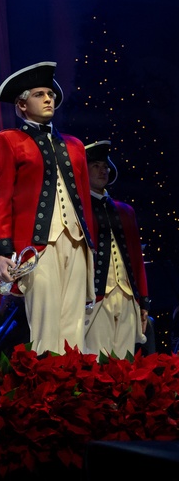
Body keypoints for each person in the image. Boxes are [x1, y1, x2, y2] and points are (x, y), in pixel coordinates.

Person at [0, 61, 94, 356]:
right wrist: (0, 251)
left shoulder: (74, 145)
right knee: (45, 323)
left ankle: (76, 386)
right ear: (21, 104)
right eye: (39, 94)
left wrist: (90, 245)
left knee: (74, 323)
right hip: (36, 248)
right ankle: (48, 389)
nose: (49, 98)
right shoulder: (9, 141)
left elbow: (84, 200)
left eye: (50, 93)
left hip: (75, 241)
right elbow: (0, 198)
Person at [83, 140, 149, 357]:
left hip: (128, 296)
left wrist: (143, 300)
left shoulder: (125, 211)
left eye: (105, 166)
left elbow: (137, 261)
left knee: (126, 364)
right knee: (97, 361)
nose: (103, 170)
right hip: (97, 297)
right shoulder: (79, 210)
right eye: (96, 166)